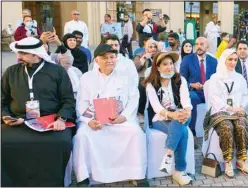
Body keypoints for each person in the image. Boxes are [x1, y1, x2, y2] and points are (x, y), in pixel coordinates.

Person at [2, 37, 76, 186]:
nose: (18, 57)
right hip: (18, 122)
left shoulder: (58, 72)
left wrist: (61, 119)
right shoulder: (11, 72)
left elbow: (68, 100)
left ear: (35, 54)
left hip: (51, 122)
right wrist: (6, 116)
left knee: (61, 142)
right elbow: (2, 100)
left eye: (22, 53)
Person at [74, 44, 146, 186]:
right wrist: (89, 121)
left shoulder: (126, 77)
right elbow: (81, 103)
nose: (109, 60)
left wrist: (123, 117)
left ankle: (136, 174)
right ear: (96, 60)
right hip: (95, 120)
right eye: (105, 58)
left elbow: (133, 99)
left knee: (135, 132)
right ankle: (84, 177)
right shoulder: (87, 78)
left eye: (112, 57)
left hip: (119, 120)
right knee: (81, 136)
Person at [143, 52, 193, 185]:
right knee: (183, 132)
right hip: (161, 118)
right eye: (165, 64)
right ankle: (179, 170)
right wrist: (173, 115)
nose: (169, 67)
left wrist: (186, 112)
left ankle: (168, 156)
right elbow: (156, 108)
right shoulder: (151, 84)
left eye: (171, 63)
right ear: (157, 67)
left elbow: (186, 101)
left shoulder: (180, 80)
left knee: (180, 121)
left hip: (182, 115)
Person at [204, 49, 248, 178]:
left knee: (241, 125)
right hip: (220, 111)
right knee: (227, 126)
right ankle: (227, 161)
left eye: (235, 60)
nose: (233, 62)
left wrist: (241, 107)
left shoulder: (239, 77)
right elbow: (214, 99)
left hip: (237, 110)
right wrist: (230, 109)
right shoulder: (215, 78)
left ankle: (241, 160)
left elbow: (244, 95)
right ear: (224, 60)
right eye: (230, 59)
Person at [180, 37, 218, 143]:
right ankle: (192, 133)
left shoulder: (214, 61)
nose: (199, 47)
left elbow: (217, 79)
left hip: (209, 91)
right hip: (194, 92)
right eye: (196, 44)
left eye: (201, 44)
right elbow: (181, 80)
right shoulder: (187, 59)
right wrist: (191, 84)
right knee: (192, 98)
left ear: (207, 46)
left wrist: (208, 85)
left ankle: (217, 131)